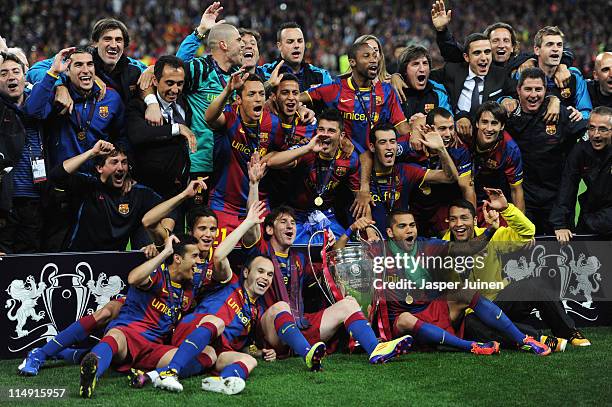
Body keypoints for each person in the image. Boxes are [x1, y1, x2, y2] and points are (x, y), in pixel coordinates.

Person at [240, 158, 413, 363]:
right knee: (280, 307)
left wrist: (340, 238)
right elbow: (251, 226)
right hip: (270, 331)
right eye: (283, 222)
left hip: (300, 325)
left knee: (348, 303)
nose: (290, 226)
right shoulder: (262, 253)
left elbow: (330, 268)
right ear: (269, 229)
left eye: (293, 223)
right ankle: (307, 354)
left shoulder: (299, 259)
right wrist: (253, 184)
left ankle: (376, 350)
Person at [150, 202, 328, 394]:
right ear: (245, 272)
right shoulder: (229, 281)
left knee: (247, 361)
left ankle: (215, 380)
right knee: (216, 323)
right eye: (260, 271)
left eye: (269, 275)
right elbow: (218, 256)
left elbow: (243, 347)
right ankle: (170, 371)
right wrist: (248, 221)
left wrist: (258, 352)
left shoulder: (255, 312)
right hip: (193, 331)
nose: (265, 278)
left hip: (214, 350)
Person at [365, 208, 551, 356]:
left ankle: (524, 340)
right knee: (405, 318)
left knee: (464, 292)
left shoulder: (427, 246)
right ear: (389, 232)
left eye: (412, 225)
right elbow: (339, 257)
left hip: (429, 311)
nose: (409, 230)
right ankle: (470, 346)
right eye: (402, 226)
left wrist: (491, 230)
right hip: (399, 325)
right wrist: (352, 230)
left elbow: (467, 249)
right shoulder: (378, 251)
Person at [443, 190, 591, 348]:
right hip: (474, 313)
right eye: (453, 219)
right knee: (471, 325)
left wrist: (506, 208)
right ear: (448, 222)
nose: (458, 224)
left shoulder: (493, 236)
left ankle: (568, 332)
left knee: (535, 283)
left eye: (463, 218)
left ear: (474, 220)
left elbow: (527, 232)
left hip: (500, 302)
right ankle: (537, 339)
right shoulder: (442, 248)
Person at [78, 234, 200, 398]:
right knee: (115, 336)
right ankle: (92, 375)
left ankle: (147, 376)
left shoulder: (188, 289)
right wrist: (165, 252)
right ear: (178, 258)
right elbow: (133, 278)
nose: (199, 261)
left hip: (154, 347)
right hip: (130, 334)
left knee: (186, 357)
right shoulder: (159, 274)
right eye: (195, 256)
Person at [503, 68, 586, 234]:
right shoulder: (509, 117)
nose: (533, 95)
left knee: (561, 254)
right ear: (518, 90)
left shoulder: (560, 114)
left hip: (556, 200)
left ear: (545, 91)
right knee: (523, 254)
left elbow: (590, 133)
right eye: (528, 89)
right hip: (522, 198)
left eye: (538, 89)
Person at [47, 140, 170, 251]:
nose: (120, 168)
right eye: (114, 162)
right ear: (100, 168)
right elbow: (56, 175)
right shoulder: (87, 185)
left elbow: (170, 210)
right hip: (79, 260)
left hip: (114, 264)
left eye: (124, 162)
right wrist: (92, 153)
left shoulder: (137, 193)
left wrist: (162, 238)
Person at [205, 72, 286, 235]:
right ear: (239, 99)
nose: (258, 99)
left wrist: (271, 158)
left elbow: (281, 152)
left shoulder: (274, 124)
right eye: (251, 94)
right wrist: (228, 90)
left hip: (259, 205)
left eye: (261, 94)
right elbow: (209, 118)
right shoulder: (229, 116)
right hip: (224, 206)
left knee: (261, 259)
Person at [265, 108, 359, 243]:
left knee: (343, 252)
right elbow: (271, 162)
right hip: (296, 217)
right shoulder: (306, 150)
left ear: (341, 136)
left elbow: (359, 197)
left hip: (326, 216)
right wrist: (307, 148)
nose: (325, 135)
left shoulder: (349, 158)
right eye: (321, 129)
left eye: (331, 131)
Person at [23, 47, 124, 171]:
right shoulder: (57, 95)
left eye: (90, 64)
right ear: (67, 71)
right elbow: (32, 112)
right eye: (78, 65)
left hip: (99, 180)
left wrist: (123, 167)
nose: (86, 70)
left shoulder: (111, 98)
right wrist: (54, 75)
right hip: (62, 179)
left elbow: (122, 137)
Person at [300, 41, 409, 155]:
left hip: (377, 158)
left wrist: (416, 133)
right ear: (352, 62)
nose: (373, 60)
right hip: (346, 159)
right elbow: (293, 98)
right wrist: (300, 107)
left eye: (375, 56)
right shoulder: (335, 89)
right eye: (366, 56)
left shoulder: (387, 91)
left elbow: (402, 128)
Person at [364, 120, 459, 233]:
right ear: (372, 147)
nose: (389, 147)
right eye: (383, 142)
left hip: (400, 241)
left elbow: (450, 177)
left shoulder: (407, 171)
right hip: (371, 241)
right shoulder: (362, 176)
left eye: (392, 141)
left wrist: (441, 149)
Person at [127, 55, 196, 207]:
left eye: (179, 84)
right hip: (147, 191)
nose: (175, 89)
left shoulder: (185, 104)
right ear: (155, 81)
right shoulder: (139, 105)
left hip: (178, 192)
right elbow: (138, 135)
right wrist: (177, 128)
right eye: (169, 83)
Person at [27, 18, 147, 105]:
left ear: (124, 45)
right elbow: (35, 70)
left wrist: (152, 70)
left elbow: (155, 73)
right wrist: (59, 86)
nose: (113, 45)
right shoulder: (79, 59)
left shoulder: (134, 66)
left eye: (119, 40)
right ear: (95, 43)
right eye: (107, 39)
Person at [395, 108, 476, 236]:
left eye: (451, 128)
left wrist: (473, 225)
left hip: (441, 206)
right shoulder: (410, 143)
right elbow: (380, 155)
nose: (448, 134)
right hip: (411, 206)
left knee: (450, 242)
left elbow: (467, 188)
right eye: (442, 129)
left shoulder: (459, 149)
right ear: (429, 128)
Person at [0, 52, 45, 253]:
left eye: (16, 71)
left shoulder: (40, 106)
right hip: (4, 203)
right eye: (3, 73)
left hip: (36, 199)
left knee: (30, 266)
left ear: (25, 77)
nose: (11, 76)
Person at [429, 32, 517, 133]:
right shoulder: (452, 71)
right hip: (455, 135)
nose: (484, 58)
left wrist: (508, 99)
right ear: (466, 57)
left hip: (488, 134)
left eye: (487, 52)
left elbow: (517, 94)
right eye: (477, 53)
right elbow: (426, 77)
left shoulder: (501, 75)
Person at [552, 106, 612, 241]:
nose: (596, 135)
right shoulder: (581, 149)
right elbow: (568, 185)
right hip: (592, 211)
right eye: (591, 128)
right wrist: (560, 224)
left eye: (603, 129)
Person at [469, 101, 524, 214]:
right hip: (463, 193)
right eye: (484, 122)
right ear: (477, 123)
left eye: (494, 123)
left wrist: (521, 227)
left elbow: (516, 190)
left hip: (492, 198)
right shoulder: (466, 135)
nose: (489, 129)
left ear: (502, 126)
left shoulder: (510, 149)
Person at [529, 26, 591, 119]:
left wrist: (580, 115)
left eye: (559, 45)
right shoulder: (525, 75)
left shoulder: (574, 75)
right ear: (537, 50)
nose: (556, 49)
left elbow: (586, 111)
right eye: (549, 44)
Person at [260, 22, 333, 92]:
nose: (296, 45)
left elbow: (335, 100)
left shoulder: (321, 75)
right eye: (290, 41)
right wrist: (269, 85)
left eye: (300, 41)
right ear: (279, 46)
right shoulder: (265, 72)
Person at [393, 45, 452, 119]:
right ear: (404, 70)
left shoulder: (438, 91)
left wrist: (426, 122)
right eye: (416, 64)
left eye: (425, 63)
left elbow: (448, 123)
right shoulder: (395, 91)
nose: (422, 69)